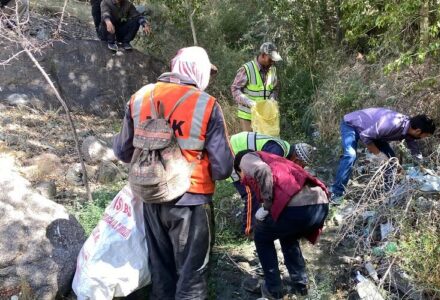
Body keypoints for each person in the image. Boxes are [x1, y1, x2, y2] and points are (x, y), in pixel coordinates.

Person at [112, 47, 233, 299]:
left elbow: (122, 152)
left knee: (162, 274)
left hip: (151, 198)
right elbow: (223, 168)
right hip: (191, 202)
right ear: (197, 71)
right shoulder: (206, 104)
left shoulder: (140, 97)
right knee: (191, 279)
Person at [235, 150, 329, 299]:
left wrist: (266, 206)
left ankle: (274, 289)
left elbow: (261, 170)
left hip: (298, 208)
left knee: (261, 236)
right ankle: (301, 284)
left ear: (239, 168)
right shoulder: (274, 159)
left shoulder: (245, 159)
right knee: (288, 235)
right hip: (320, 204)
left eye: (240, 175)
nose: (242, 179)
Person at [329, 108, 435, 203]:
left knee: (392, 161)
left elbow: (413, 146)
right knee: (350, 155)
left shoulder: (409, 129)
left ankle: (388, 194)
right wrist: (379, 155)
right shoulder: (393, 124)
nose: (423, 138)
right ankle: (336, 193)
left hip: (374, 133)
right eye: (425, 136)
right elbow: (365, 136)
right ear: (418, 131)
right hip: (352, 124)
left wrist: (420, 163)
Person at [229, 131, 315, 236]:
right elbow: (264, 175)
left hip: (240, 153)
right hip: (231, 152)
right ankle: (249, 231)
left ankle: (257, 224)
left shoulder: (283, 150)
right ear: (296, 159)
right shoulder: (277, 151)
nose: (301, 168)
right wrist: (267, 205)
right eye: (302, 165)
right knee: (251, 193)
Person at [231, 42, 281, 132]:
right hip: (248, 117)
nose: (273, 62)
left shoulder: (273, 70)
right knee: (251, 145)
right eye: (270, 59)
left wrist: (272, 98)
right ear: (262, 55)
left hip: (265, 117)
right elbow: (235, 89)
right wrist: (249, 102)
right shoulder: (247, 69)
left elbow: (275, 88)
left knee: (265, 144)